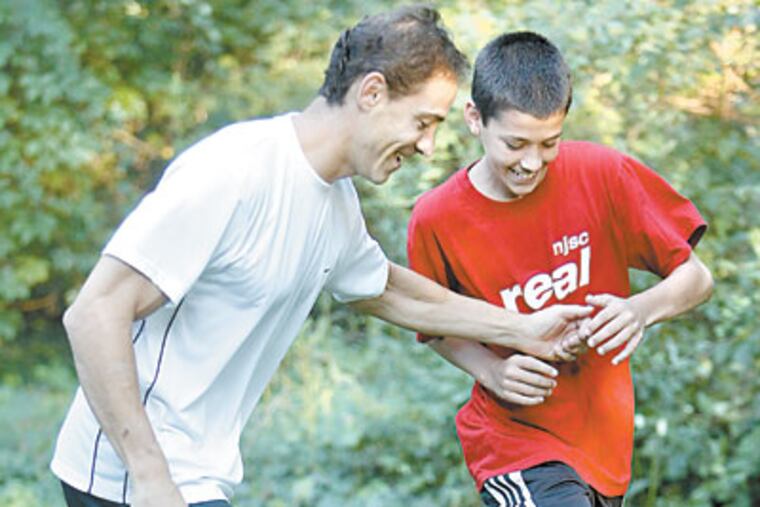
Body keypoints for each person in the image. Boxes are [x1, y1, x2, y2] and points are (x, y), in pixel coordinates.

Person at [52, 9, 593, 507]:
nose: (427, 146)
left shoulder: (334, 203)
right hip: (127, 479)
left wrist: (524, 329)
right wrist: (150, 476)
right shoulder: (234, 172)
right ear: (372, 93)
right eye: (423, 121)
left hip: (194, 475)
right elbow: (95, 314)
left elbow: (391, 291)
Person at [407, 31, 714, 506]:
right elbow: (431, 324)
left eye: (549, 143)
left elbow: (697, 278)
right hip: (514, 442)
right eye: (515, 144)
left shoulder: (603, 174)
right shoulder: (436, 218)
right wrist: (490, 370)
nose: (532, 162)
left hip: (604, 447)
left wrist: (639, 310)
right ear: (474, 119)